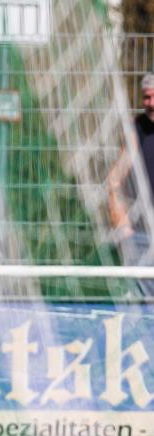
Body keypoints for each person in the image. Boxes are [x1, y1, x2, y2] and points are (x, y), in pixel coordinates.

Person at [107, 72, 154, 296]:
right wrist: (122, 223)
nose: (151, 103)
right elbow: (115, 180)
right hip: (142, 233)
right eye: (147, 97)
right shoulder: (136, 129)